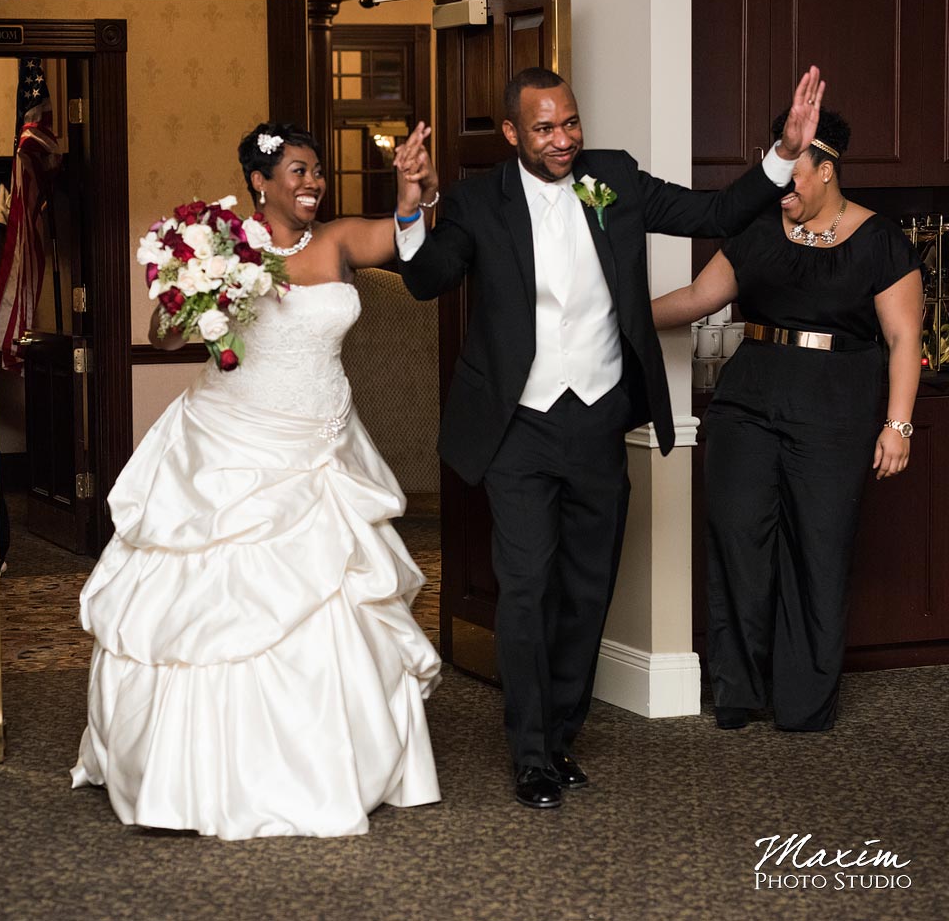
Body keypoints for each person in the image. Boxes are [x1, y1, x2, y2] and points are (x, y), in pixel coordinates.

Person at [392, 65, 825, 809]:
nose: (563, 140)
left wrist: (783, 153)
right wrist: (410, 207)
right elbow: (428, 279)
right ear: (511, 133)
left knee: (587, 589)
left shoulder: (613, 177)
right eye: (544, 129)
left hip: (597, 418)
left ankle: (560, 734)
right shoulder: (478, 201)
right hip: (517, 427)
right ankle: (529, 753)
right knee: (526, 588)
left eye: (570, 124)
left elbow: (715, 210)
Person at [70, 122, 442, 839]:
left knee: (336, 595)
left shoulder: (334, 243)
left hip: (323, 446)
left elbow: (400, 239)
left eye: (318, 172)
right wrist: (195, 292)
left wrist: (409, 188)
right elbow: (166, 337)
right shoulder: (220, 246)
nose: (312, 183)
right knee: (216, 607)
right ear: (259, 183)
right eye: (298, 171)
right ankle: (201, 774)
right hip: (231, 445)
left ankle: (330, 762)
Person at [653, 108, 923, 732]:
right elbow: (697, 299)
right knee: (739, 540)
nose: (783, 189)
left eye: (794, 177)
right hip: (748, 403)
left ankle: (803, 703)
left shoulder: (880, 240)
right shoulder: (758, 230)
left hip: (836, 409)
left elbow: (904, 337)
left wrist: (899, 424)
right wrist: (617, 320)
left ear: (827, 171)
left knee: (818, 550)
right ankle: (740, 693)